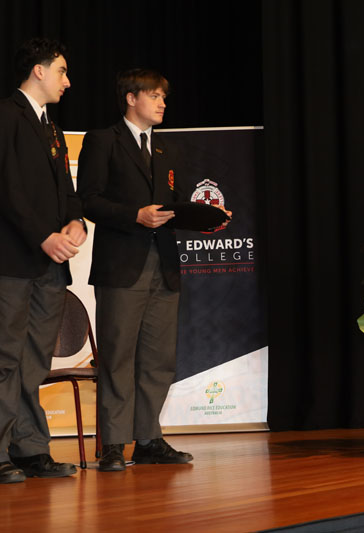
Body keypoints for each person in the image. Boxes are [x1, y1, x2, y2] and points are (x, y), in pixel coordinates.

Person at [77, 69, 194, 472]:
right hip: (122, 265)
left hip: (164, 265)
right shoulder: (103, 140)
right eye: (155, 95)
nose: (162, 103)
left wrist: (206, 219)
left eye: (164, 96)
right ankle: (113, 443)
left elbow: (175, 205)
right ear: (131, 98)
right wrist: (134, 215)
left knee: (159, 358)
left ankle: (148, 439)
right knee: (118, 356)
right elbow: (88, 200)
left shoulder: (166, 149)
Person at [0, 38, 86, 483]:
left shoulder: (51, 127)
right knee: (5, 358)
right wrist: (42, 237)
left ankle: (30, 449)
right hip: (13, 261)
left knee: (34, 360)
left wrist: (76, 222)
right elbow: (7, 189)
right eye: (62, 71)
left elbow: (65, 191)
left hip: (51, 267)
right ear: (39, 70)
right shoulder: (6, 115)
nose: (67, 82)